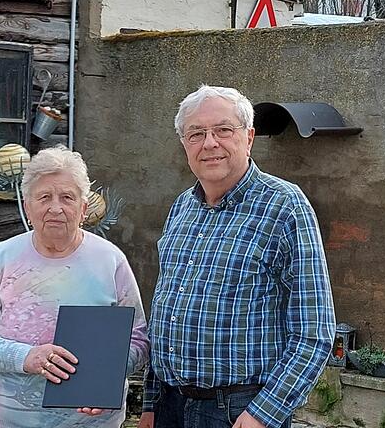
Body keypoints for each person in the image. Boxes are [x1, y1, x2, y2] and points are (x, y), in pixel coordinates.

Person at [139, 85, 336, 428]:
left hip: (237, 410)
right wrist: (151, 404)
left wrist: (264, 414)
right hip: (171, 406)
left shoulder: (285, 206)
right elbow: (166, 314)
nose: (209, 142)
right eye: (196, 133)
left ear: (249, 137)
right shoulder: (182, 207)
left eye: (223, 130)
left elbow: (314, 331)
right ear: (184, 144)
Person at [0, 145, 150, 428]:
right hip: (7, 420)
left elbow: (138, 340)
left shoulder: (110, 260)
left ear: (83, 208)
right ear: (28, 206)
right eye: (44, 197)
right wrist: (27, 357)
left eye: (67, 197)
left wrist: (105, 376)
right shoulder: (3, 257)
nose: (55, 208)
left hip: (90, 422)